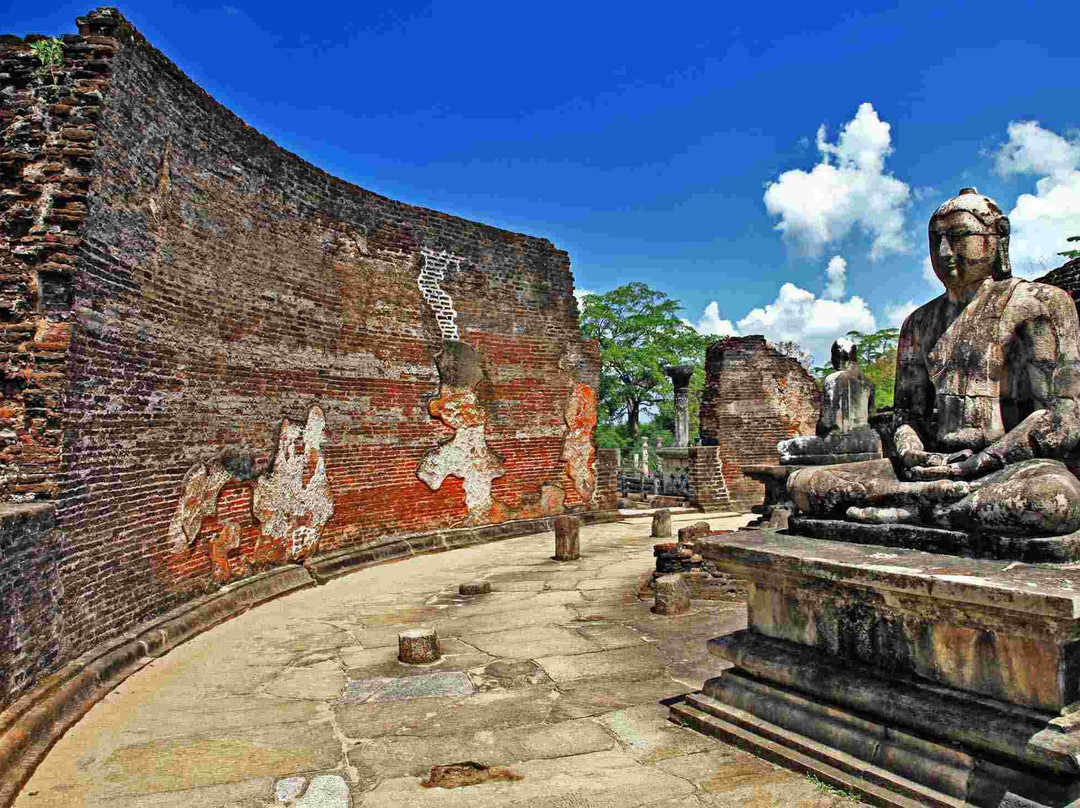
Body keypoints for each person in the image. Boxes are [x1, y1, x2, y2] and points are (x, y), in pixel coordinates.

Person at [788, 189, 1080, 535]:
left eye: (958, 237)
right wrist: (912, 450)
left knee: (1050, 500)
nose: (944, 252)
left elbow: (1062, 421)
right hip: (930, 469)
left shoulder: (1038, 303)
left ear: (998, 235)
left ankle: (911, 509)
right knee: (803, 484)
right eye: (935, 240)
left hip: (1006, 468)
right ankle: (935, 508)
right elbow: (908, 415)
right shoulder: (919, 322)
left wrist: (975, 464)